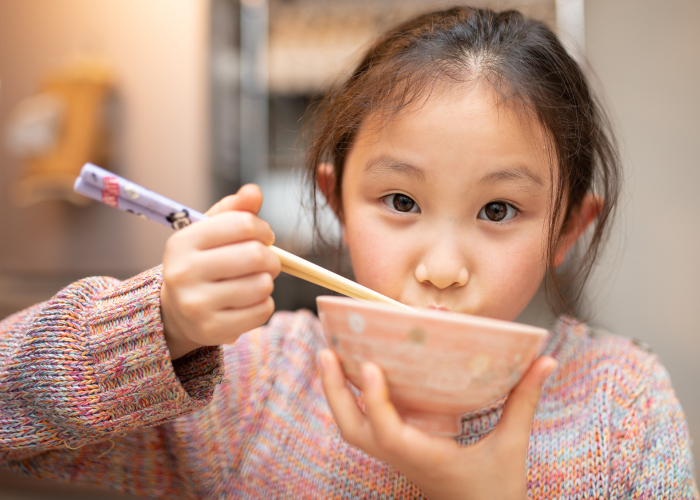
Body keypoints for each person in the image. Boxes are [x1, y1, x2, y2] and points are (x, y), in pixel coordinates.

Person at [1, 6, 697, 499]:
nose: (443, 268)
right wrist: (156, 324)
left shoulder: (622, 406)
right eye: (400, 202)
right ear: (337, 201)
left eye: (498, 210)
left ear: (567, 230)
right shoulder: (258, 384)